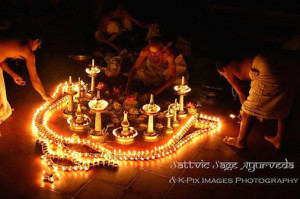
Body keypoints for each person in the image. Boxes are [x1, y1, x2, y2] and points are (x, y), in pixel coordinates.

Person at [217, 51, 299, 150]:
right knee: (284, 102)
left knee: (248, 108)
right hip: (291, 67)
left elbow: (241, 93)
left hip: (265, 66)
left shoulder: (226, 68)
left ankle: (240, 141)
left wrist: (244, 112)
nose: (223, 76)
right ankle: (279, 139)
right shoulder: (242, 59)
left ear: (221, 69)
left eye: (221, 75)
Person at [0, 33, 52, 124]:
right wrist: (44, 95)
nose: (36, 49)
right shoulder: (27, 50)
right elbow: (34, 78)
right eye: (38, 46)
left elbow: (1, 60)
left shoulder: (17, 41)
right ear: (36, 41)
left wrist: (13, 75)